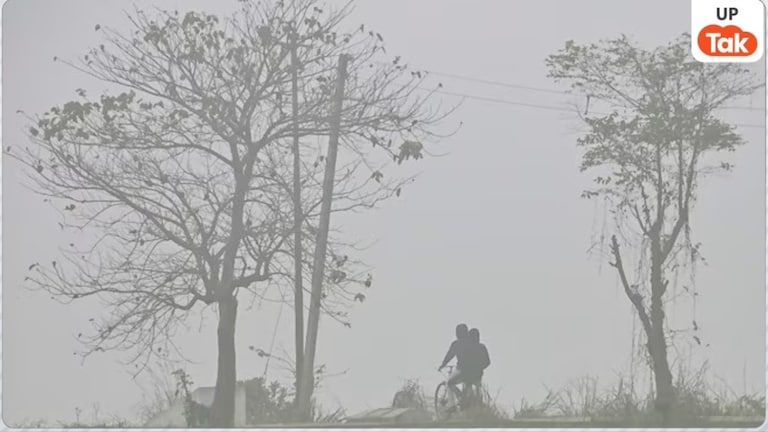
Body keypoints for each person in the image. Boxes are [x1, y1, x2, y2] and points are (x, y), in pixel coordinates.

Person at [438, 323, 472, 409]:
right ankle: (466, 401)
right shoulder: (471, 343)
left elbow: (449, 356)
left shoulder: (456, 344)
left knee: (449, 382)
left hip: (461, 369)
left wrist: (442, 365)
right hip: (473, 370)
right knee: (468, 384)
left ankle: (452, 405)